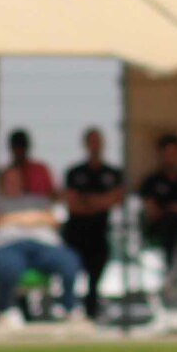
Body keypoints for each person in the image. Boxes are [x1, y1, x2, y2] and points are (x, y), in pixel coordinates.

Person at [0, 165, 84, 329]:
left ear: (22, 182)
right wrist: (26, 217)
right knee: (7, 266)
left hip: (42, 245)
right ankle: (4, 309)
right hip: (6, 244)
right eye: (8, 180)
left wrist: (8, 218)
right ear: (1, 182)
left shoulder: (37, 200)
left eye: (15, 180)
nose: (12, 183)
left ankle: (69, 307)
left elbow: (53, 220)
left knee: (69, 260)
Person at [61, 127, 125, 321]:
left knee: (96, 273)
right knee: (70, 268)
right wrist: (100, 202)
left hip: (100, 232)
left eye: (98, 141)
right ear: (86, 145)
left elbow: (116, 199)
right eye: (92, 142)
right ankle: (69, 307)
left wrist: (88, 200)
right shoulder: (75, 172)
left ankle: (92, 309)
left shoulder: (113, 173)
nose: (95, 146)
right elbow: (72, 204)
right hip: (76, 231)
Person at [138, 133, 177, 263]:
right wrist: (171, 209)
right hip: (162, 227)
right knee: (171, 219)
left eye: (175, 153)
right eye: (168, 153)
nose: (171, 157)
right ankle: (170, 263)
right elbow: (151, 211)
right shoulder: (152, 181)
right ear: (161, 154)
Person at [0, 129, 56, 199]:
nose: (19, 151)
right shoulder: (6, 175)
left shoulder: (40, 171)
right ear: (11, 148)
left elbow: (52, 195)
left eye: (22, 147)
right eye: (17, 147)